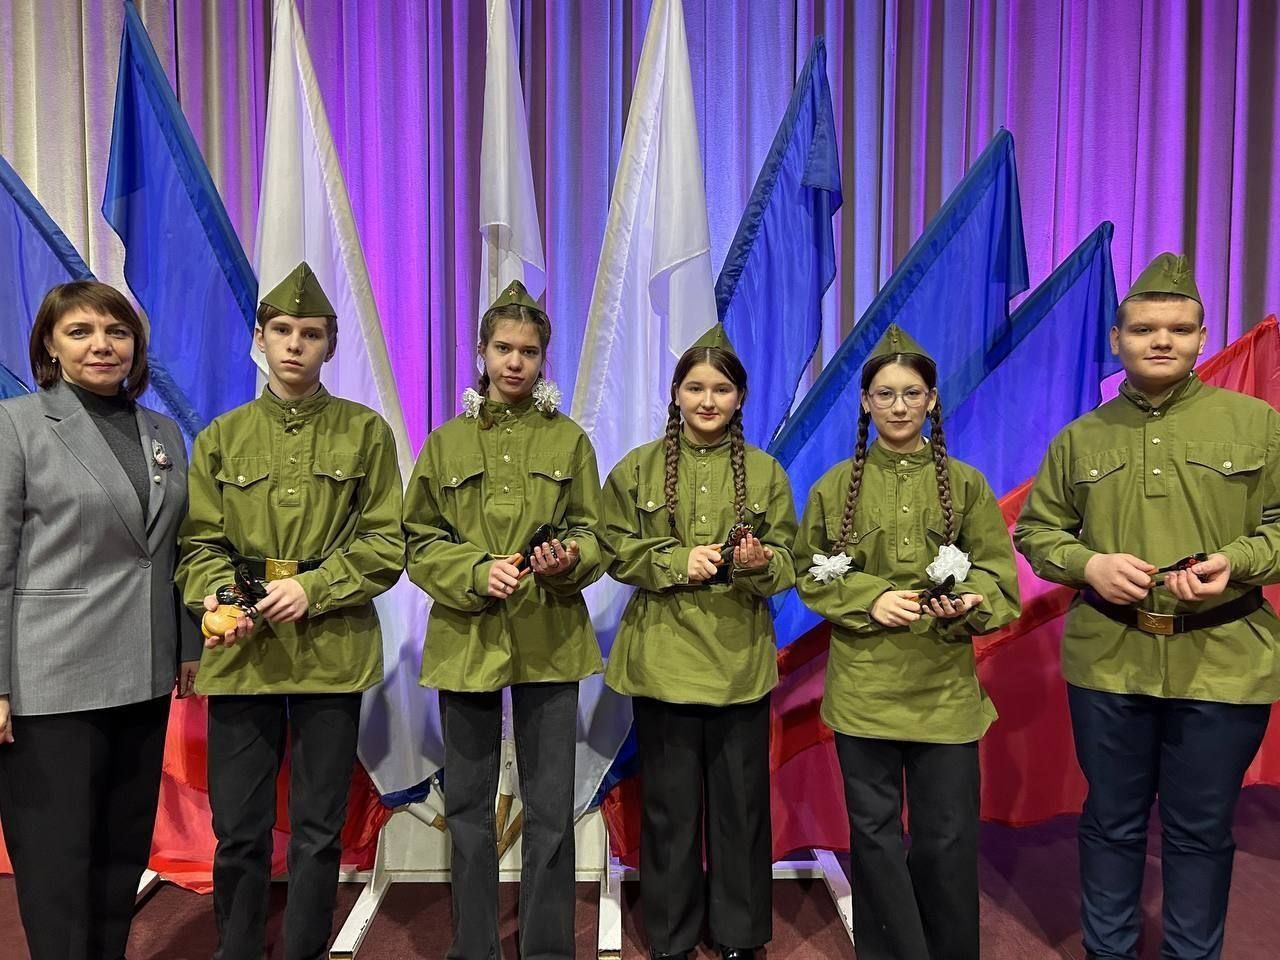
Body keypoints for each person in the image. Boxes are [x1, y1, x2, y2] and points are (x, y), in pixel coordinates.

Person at [1014, 253, 1280, 960]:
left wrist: (1237, 562)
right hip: (1110, 659)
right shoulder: (1080, 437)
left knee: (1200, 829)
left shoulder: (1258, 424)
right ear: (1117, 339)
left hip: (1224, 662)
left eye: (1178, 329)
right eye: (1142, 329)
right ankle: (1109, 952)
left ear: (1202, 337)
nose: (1161, 340)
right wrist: (1090, 565)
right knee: (1112, 821)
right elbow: (1037, 532)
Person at [176, 262, 405, 960]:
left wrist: (317, 587)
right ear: (260, 338)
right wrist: (221, 600)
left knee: (317, 825)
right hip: (242, 651)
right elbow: (198, 545)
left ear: (330, 344)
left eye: (310, 333)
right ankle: (238, 950)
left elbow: (386, 543)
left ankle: (305, 948)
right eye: (281, 331)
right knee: (239, 827)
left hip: (330, 647)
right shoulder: (222, 437)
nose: (295, 345)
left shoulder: (365, 433)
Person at [795, 324, 1020, 960]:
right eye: (886, 394)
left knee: (946, 835)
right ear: (865, 402)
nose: (899, 406)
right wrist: (869, 597)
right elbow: (808, 571)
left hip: (944, 690)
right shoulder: (835, 486)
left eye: (912, 393)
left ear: (932, 400)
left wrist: (970, 599)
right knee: (874, 837)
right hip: (864, 689)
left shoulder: (966, 484)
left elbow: (1001, 582)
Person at [404, 279, 605, 960]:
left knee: (551, 805)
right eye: (503, 348)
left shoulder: (569, 440)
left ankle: (547, 949)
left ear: (544, 357)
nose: (515, 362)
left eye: (528, 351)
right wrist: (473, 572)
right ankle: (475, 948)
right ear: (482, 352)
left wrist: (567, 559)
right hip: (468, 636)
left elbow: (595, 534)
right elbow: (417, 540)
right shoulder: (446, 443)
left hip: (550, 633)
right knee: (467, 806)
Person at [0, 280, 200, 960]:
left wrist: (189, 644)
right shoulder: (16, 425)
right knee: (57, 863)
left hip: (143, 672)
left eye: (116, 331)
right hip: (49, 680)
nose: (101, 345)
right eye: (80, 331)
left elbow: (175, 550)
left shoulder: (162, 432)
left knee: (120, 857)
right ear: (49, 346)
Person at [601, 324, 796, 960]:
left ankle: (740, 936)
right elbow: (611, 548)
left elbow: (791, 560)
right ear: (676, 393)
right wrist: (675, 561)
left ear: (740, 398)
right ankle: (670, 936)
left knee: (741, 807)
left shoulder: (766, 473)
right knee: (670, 808)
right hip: (662, 662)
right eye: (695, 387)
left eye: (721, 389)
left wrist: (759, 562)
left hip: (740, 662)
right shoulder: (638, 468)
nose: (708, 400)